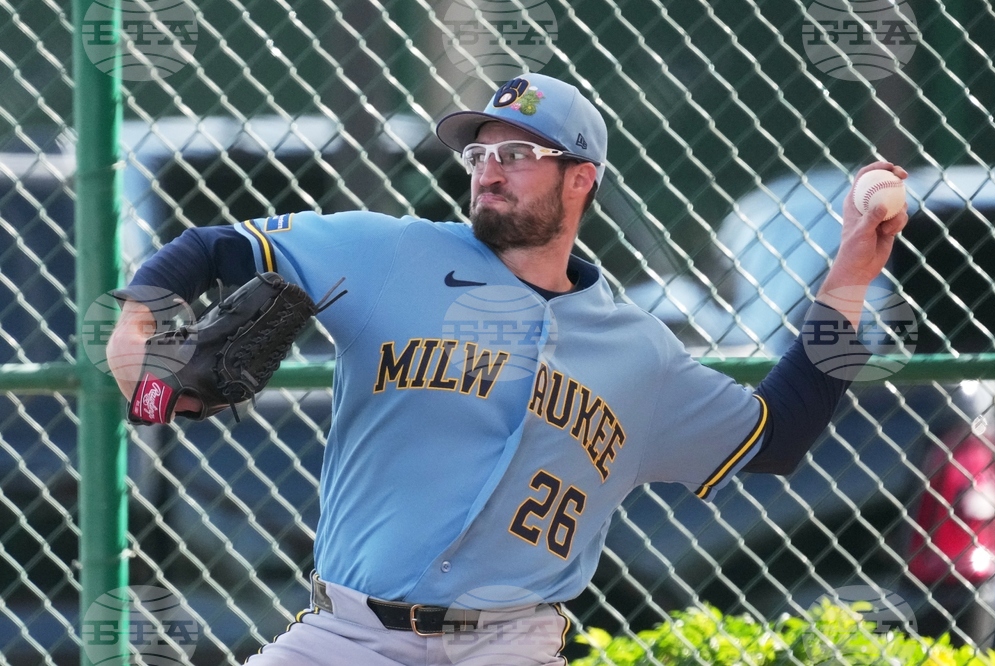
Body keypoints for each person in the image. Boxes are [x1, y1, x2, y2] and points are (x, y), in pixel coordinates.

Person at [107, 73, 909, 665]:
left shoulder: (641, 351)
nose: (489, 169)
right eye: (480, 153)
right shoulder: (387, 249)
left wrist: (849, 275)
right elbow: (214, 245)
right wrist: (138, 316)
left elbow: (778, 436)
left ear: (581, 177)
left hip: (513, 642)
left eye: (519, 153)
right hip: (346, 635)